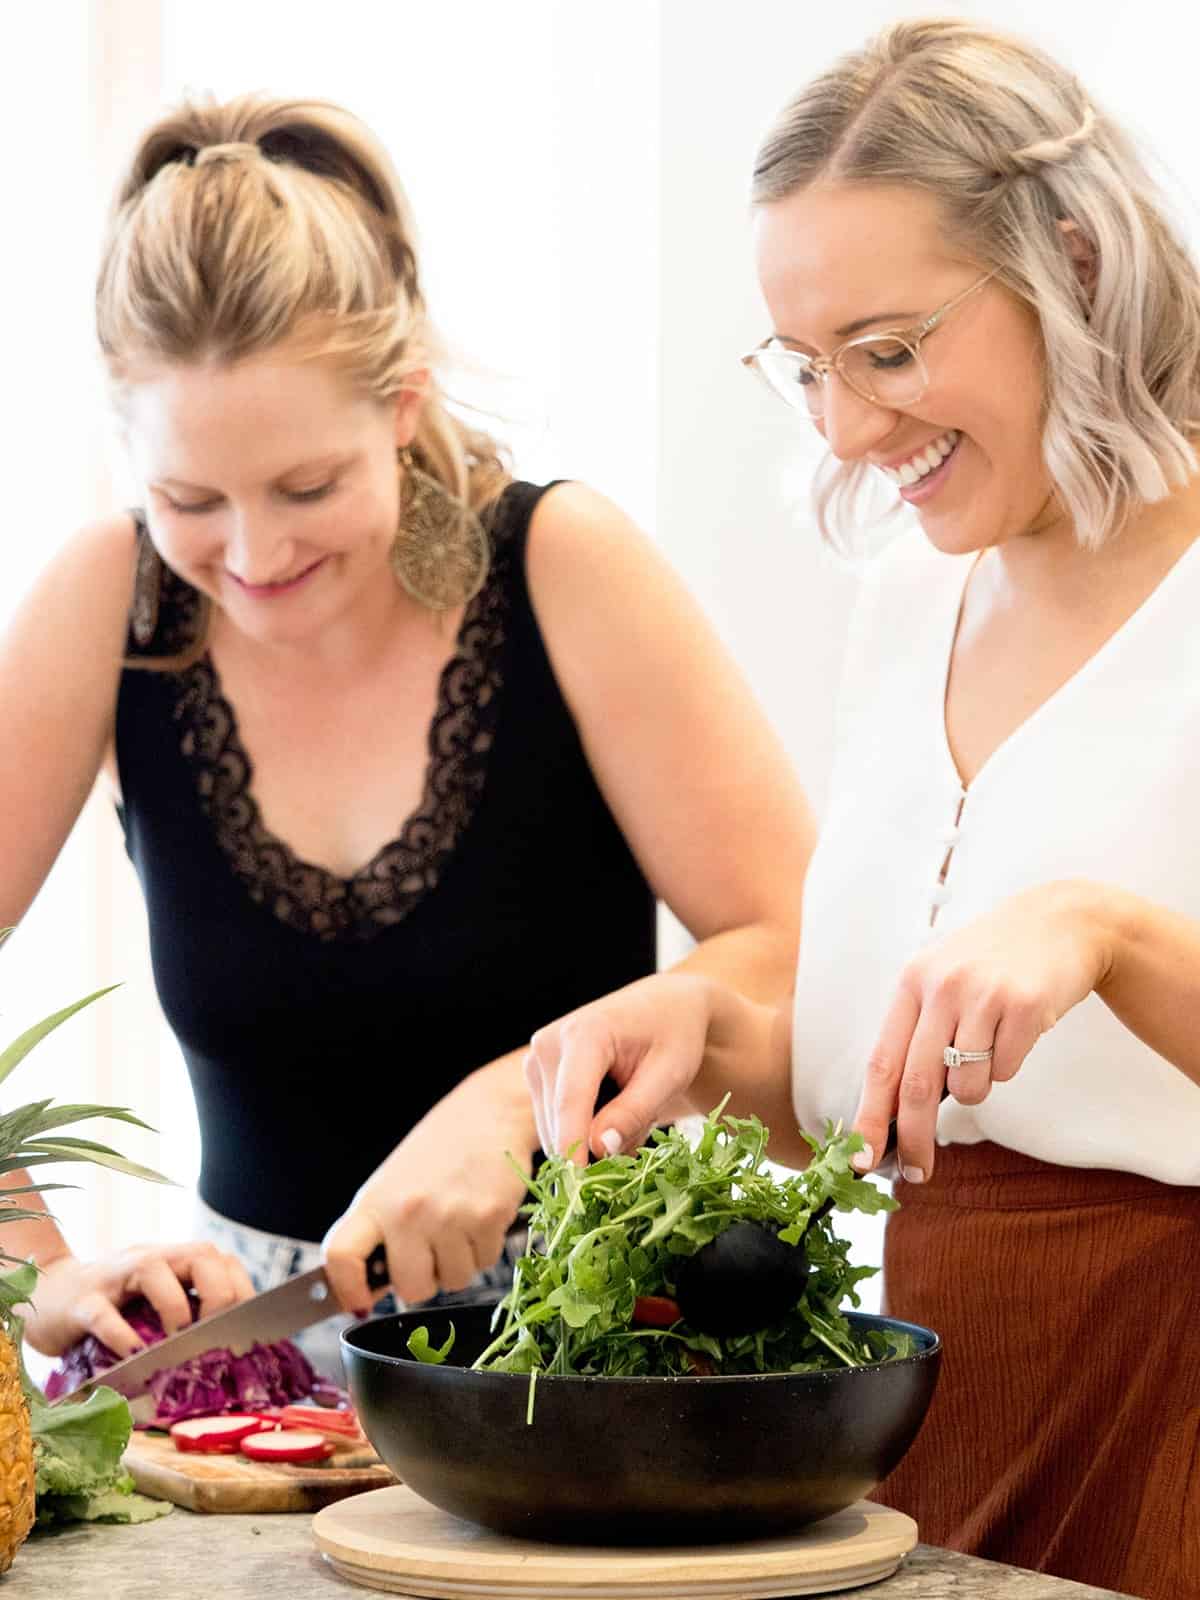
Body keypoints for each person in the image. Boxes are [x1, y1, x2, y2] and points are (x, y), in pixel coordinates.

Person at [524, 19, 1200, 1599]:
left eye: (890, 351)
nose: (844, 429)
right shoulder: (913, 601)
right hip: (927, 1437)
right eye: (809, 367)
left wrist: (1103, 931)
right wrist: (702, 1034)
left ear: (1078, 267)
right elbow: (889, 1096)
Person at [0, 94, 813, 1377]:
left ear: (400, 403)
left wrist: (519, 1101)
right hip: (251, 1371)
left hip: (604, 1347)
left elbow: (794, 948)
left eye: (307, 488)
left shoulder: (563, 567)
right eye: (189, 498)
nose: (254, 556)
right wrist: (39, 1271)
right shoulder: (102, 601)